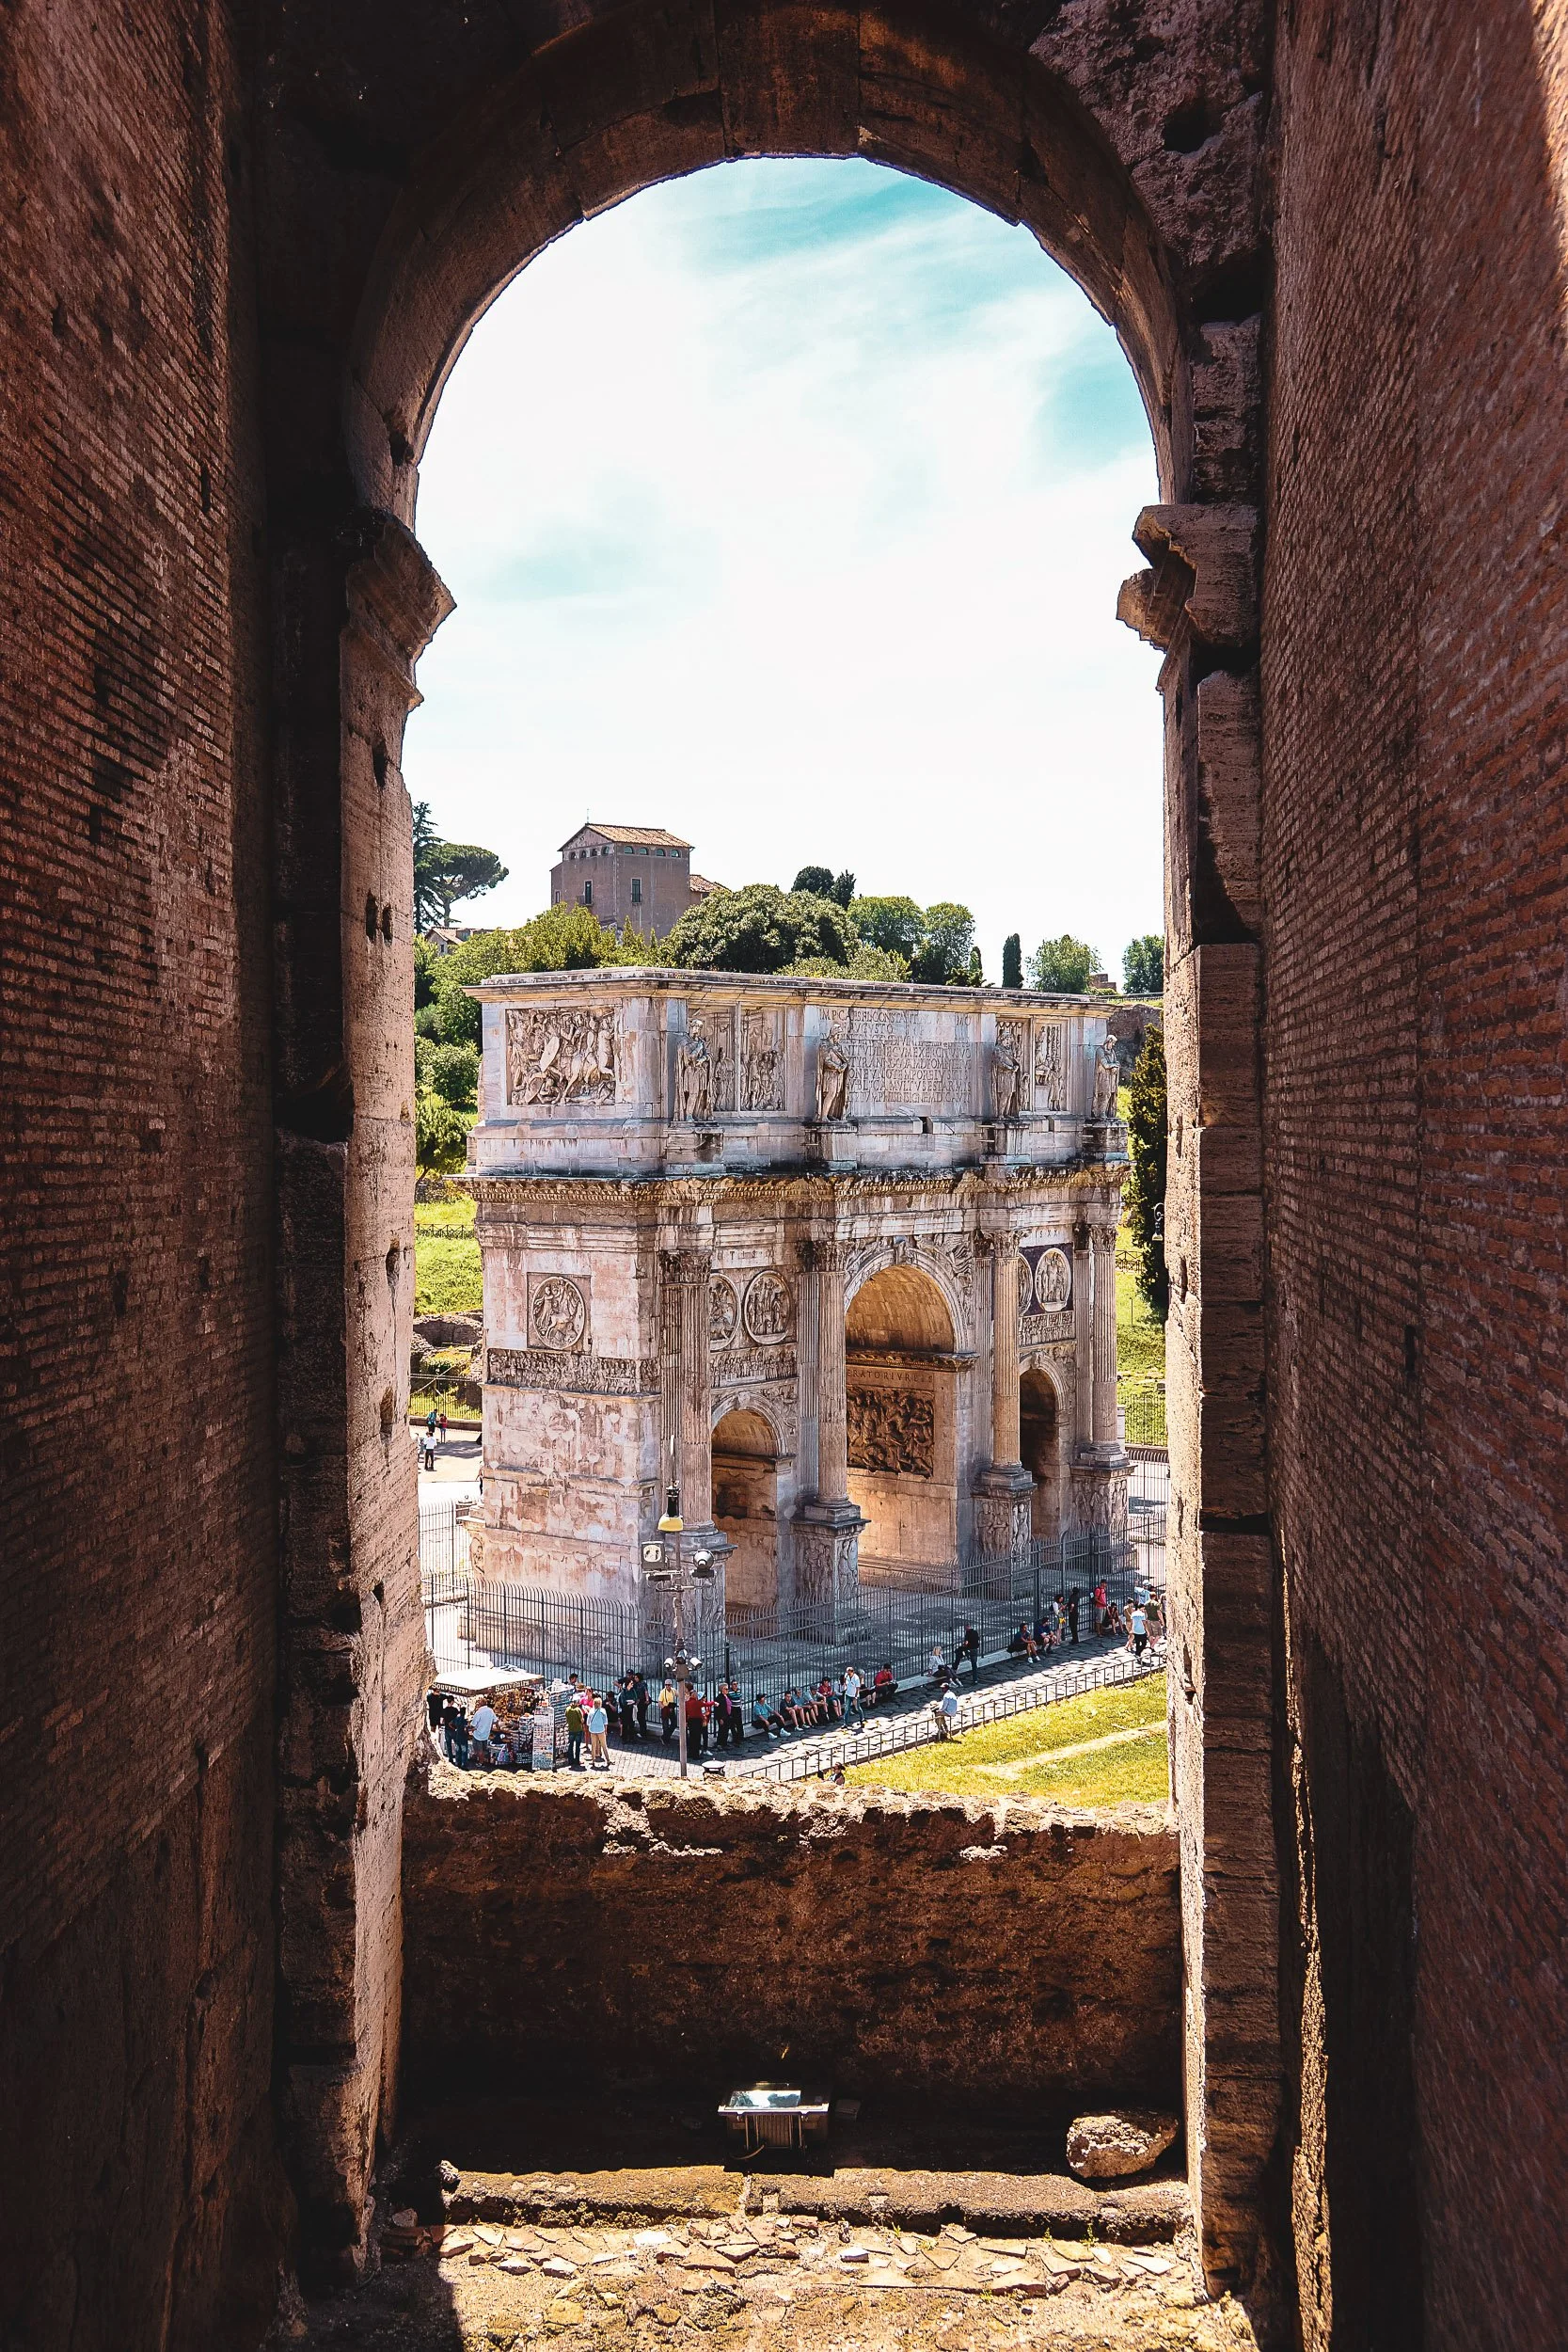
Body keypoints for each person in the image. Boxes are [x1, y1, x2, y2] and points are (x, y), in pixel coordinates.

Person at [470, 1698, 497, 1766]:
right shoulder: (491, 1711)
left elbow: (473, 1724)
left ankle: (480, 1762)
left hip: (478, 1734)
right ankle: (483, 1761)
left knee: (479, 1749)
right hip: (486, 1733)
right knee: (483, 1749)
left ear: (481, 1704)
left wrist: (472, 1729)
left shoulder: (478, 1712)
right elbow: (495, 1720)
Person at [446, 1700, 470, 1769]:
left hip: (457, 1735)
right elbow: (465, 1729)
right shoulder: (464, 1720)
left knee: (458, 1750)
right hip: (463, 1736)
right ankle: (463, 1764)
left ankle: (457, 1763)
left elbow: (450, 1723)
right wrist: (467, 1732)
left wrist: (455, 1728)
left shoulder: (457, 1718)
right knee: (464, 1751)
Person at [564, 1692, 586, 1770]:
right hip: (578, 1730)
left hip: (571, 1729)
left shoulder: (568, 1709)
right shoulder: (578, 1710)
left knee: (570, 1746)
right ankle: (577, 1761)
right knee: (577, 1746)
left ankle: (571, 1760)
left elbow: (566, 1717)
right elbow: (582, 1720)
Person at [587, 1694, 610, 1768]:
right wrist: (605, 1730)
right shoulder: (603, 1711)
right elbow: (605, 1722)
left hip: (593, 1730)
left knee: (593, 1746)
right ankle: (608, 1760)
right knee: (604, 1745)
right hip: (601, 1730)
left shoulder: (591, 1711)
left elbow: (588, 1722)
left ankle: (593, 1761)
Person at [842, 1663, 865, 1731]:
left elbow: (857, 1688)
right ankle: (845, 1723)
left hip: (854, 1695)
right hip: (848, 1694)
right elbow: (844, 1679)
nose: (848, 1674)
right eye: (847, 1673)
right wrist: (845, 1686)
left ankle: (862, 1719)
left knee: (857, 1708)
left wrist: (855, 1697)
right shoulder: (846, 1675)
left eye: (849, 1673)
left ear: (852, 1672)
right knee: (847, 1709)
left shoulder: (856, 1678)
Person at [658, 1678, 678, 1742]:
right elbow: (660, 1702)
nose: (667, 1686)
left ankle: (665, 1737)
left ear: (671, 1685)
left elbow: (679, 1695)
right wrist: (664, 1708)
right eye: (666, 1685)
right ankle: (666, 1739)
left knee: (674, 1724)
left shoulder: (673, 1690)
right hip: (665, 1709)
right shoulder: (662, 1692)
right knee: (665, 1726)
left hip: (671, 1708)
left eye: (668, 1685)